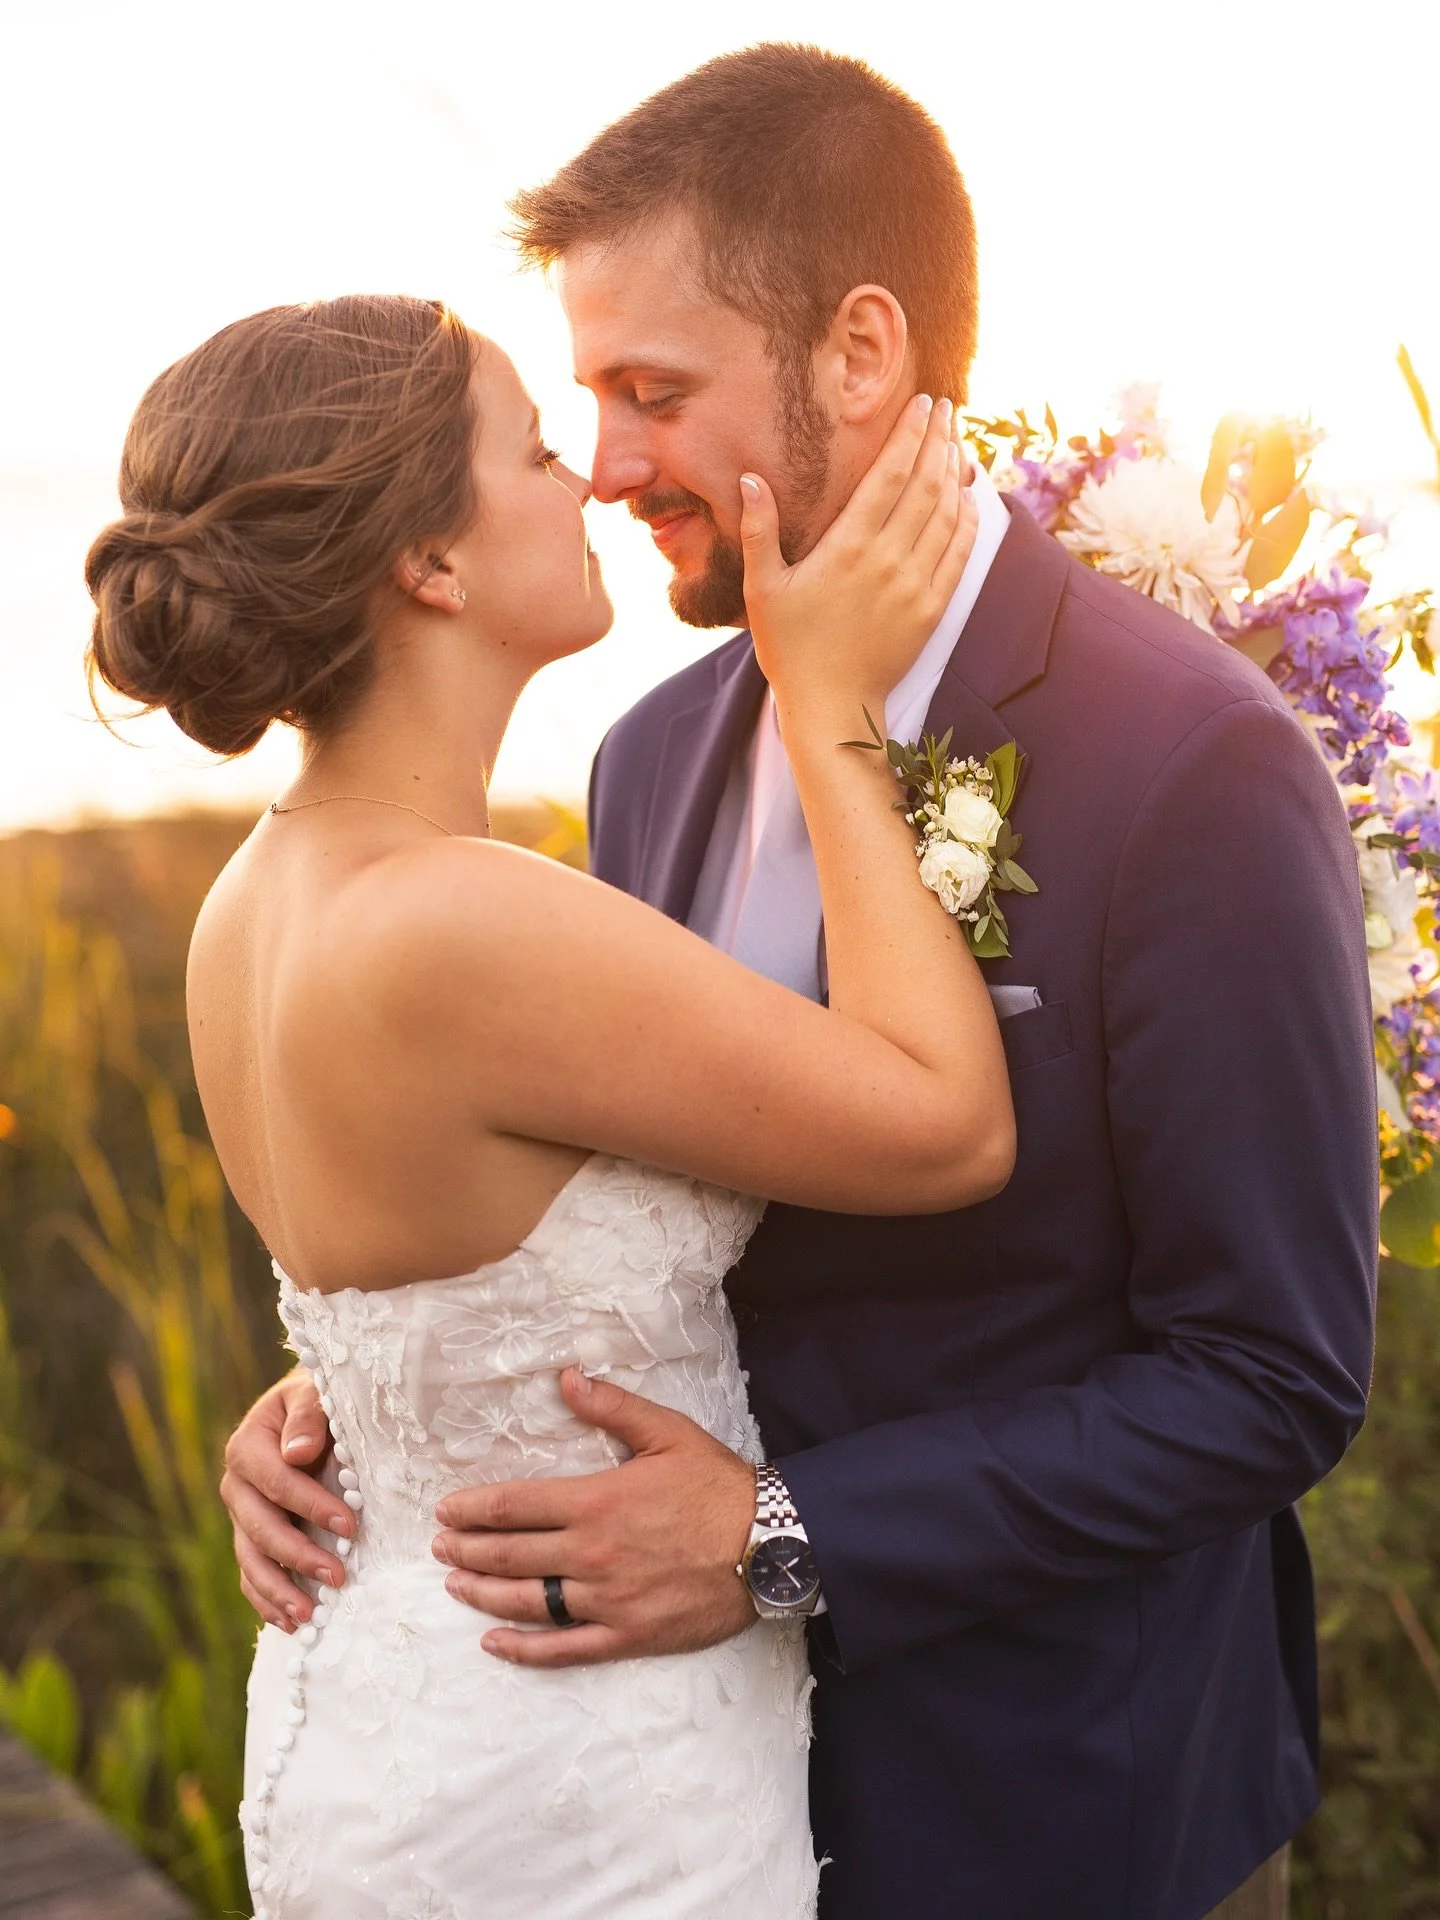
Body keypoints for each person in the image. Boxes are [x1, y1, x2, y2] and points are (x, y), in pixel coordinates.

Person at [220, 46, 1380, 1920]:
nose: (604, 471)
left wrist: (778, 1541)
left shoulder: (1192, 763)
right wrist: (370, 1393)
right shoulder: (653, 752)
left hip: (1045, 1803)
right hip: (654, 1785)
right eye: (583, 403)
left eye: (652, 393)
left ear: (860, 352)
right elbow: (618, 1188)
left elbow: (1267, 1379)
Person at [85, 292, 1010, 1918]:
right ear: (427, 567)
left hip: (391, 1725)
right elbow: (944, 1122)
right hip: (578, 1779)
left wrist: (325, 1416)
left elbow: (421, 1299)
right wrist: (831, 707)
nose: (585, 479)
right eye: (528, 447)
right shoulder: (466, 919)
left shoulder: (251, 903)